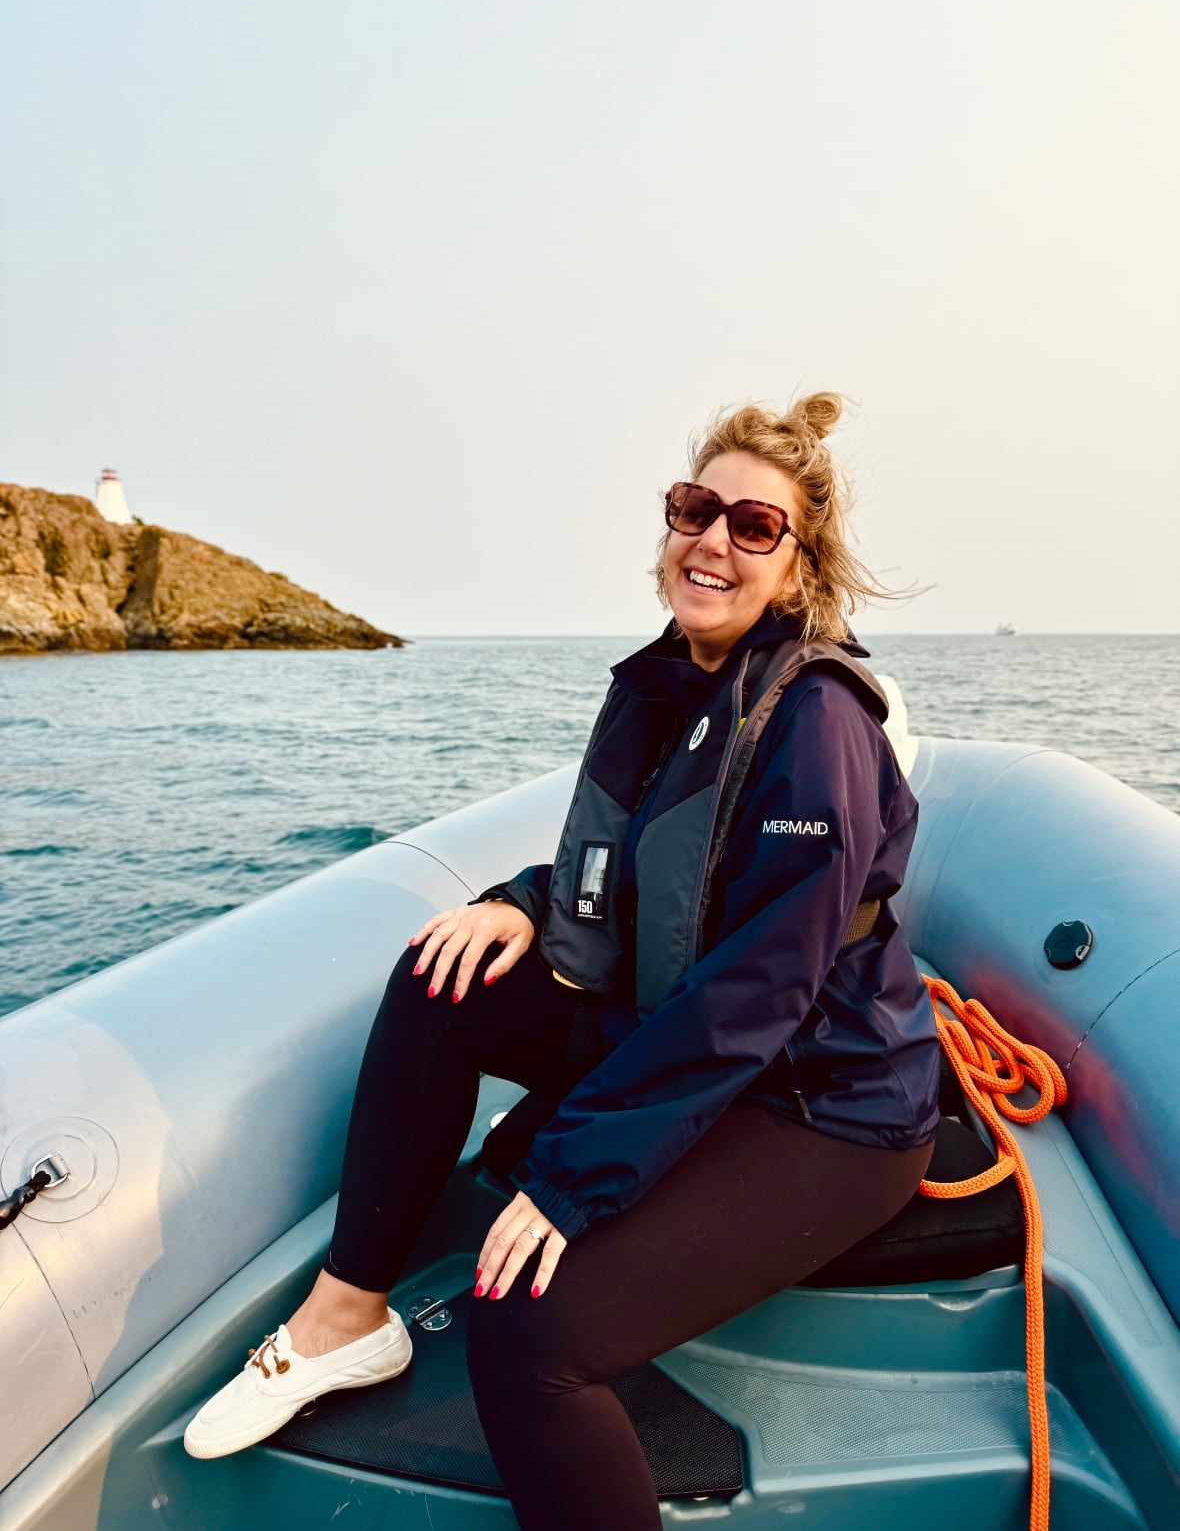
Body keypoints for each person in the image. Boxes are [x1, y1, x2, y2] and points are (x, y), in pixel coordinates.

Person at [184, 392, 942, 1531]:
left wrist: (573, 1173)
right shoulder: (673, 688)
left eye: (755, 525)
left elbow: (756, 993)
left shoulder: (813, 721)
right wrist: (524, 904)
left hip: (822, 1103)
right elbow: (648, 878)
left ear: (795, 568)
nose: (714, 540)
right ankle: (348, 1317)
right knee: (441, 981)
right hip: (693, 1033)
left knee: (528, 1329)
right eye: (697, 510)